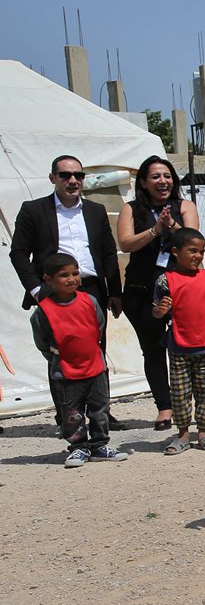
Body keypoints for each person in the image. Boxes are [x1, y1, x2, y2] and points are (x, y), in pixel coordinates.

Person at [10, 154, 125, 430]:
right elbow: (18, 253)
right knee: (59, 355)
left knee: (95, 350)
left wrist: (115, 292)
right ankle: (67, 416)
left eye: (78, 175)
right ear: (53, 178)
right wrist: (38, 290)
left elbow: (108, 253)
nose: (73, 181)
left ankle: (100, 413)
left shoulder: (95, 211)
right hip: (54, 293)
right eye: (65, 175)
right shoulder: (34, 210)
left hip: (91, 289)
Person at [116, 155, 201, 431]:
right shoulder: (131, 209)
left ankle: (202, 405)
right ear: (143, 182)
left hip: (181, 287)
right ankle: (165, 407)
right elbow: (126, 243)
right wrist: (155, 229)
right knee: (152, 349)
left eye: (167, 176)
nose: (162, 181)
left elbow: (193, 239)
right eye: (155, 176)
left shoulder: (184, 206)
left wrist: (172, 225)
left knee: (191, 347)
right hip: (141, 289)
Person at [29, 253, 128, 467]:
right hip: (65, 371)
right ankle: (78, 448)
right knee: (72, 412)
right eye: (64, 275)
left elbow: (98, 327)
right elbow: (42, 343)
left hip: (95, 367)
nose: (71, 279)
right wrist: (58, 360)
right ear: (48, 279)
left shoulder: (89, 301)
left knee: (99, 409)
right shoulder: (43, 312)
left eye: (75, 273)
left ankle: (99, 445)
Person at [152, 228, 205, 454]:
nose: (198, 256)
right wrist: (160, 310)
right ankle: (182, 435)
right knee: (180, 394)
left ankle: (204, 433)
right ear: (175, 252)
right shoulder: (165, 281)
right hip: (178, 346)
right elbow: (156, 312)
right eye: (192, 251)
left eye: (201, 251)